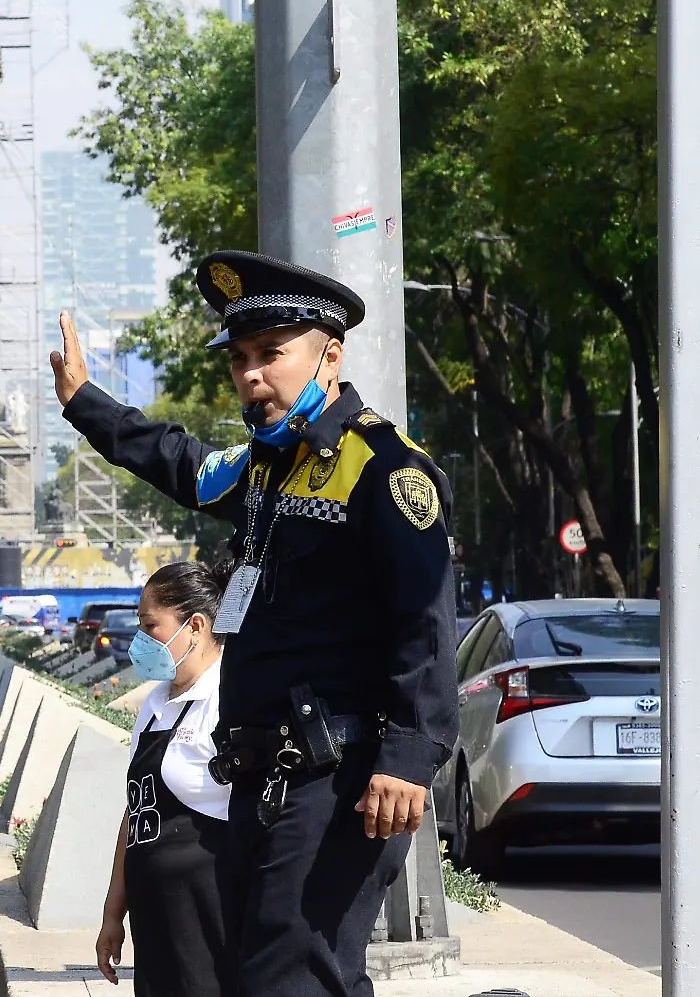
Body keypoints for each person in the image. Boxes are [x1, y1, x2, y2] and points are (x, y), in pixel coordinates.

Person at [52, 250, 460, 997]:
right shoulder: (264, 467)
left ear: (328, 355)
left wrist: (407, 757)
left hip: (338, 774)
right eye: (240, 358)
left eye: (272, 354)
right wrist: (85, 403)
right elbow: (177, 460)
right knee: (264, 977)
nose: (251, 375)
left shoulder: (385, 469)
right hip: (259, 775)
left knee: (293, 978)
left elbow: (424, 621)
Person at [95, 561, 232, 995]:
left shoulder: (228, 700)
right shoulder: (156, 702)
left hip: (212, 920)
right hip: (154, 919)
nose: (141, 640)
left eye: (150, 625)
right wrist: (114, 910)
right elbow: (137, 810)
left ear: (195, 626)